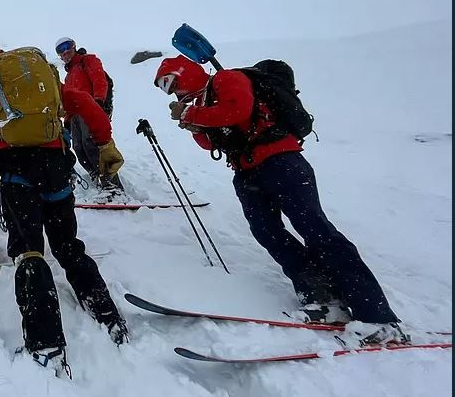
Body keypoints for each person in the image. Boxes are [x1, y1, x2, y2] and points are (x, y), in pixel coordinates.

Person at [153, 55, 408, 345]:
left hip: (281, 161)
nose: (173, 92)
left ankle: (379, 317)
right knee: (268, 232)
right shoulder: (205, 103)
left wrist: (190, 116)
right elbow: (214, 141)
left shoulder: (227, 79)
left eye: (171, 83)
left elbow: (237, 110)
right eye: (166, 89)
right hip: (247, 171)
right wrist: (196, 127)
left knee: (316, 230)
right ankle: (323, 299)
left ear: (184, 73)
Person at [0, 45, 130, 376]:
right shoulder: (50, 89)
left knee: (29, 251)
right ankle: (107, 314)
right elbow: (86, 104)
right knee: (67, 244)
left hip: (17, 172)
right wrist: (106, 144)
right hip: (55, 168)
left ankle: (46, 341)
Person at [54, 37, 122, 194]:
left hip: (90, 108)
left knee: (92, 144)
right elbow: (69, 99)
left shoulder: (87, 60)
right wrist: (67, 119)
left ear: (74, 47)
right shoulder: (69, 75)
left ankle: (112, 185)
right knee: (79, 147)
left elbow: (100, 79)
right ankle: (97, 176)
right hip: (76, 115)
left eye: (67, 47)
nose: (65, 52)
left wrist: (99, 101)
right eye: (60, 51)